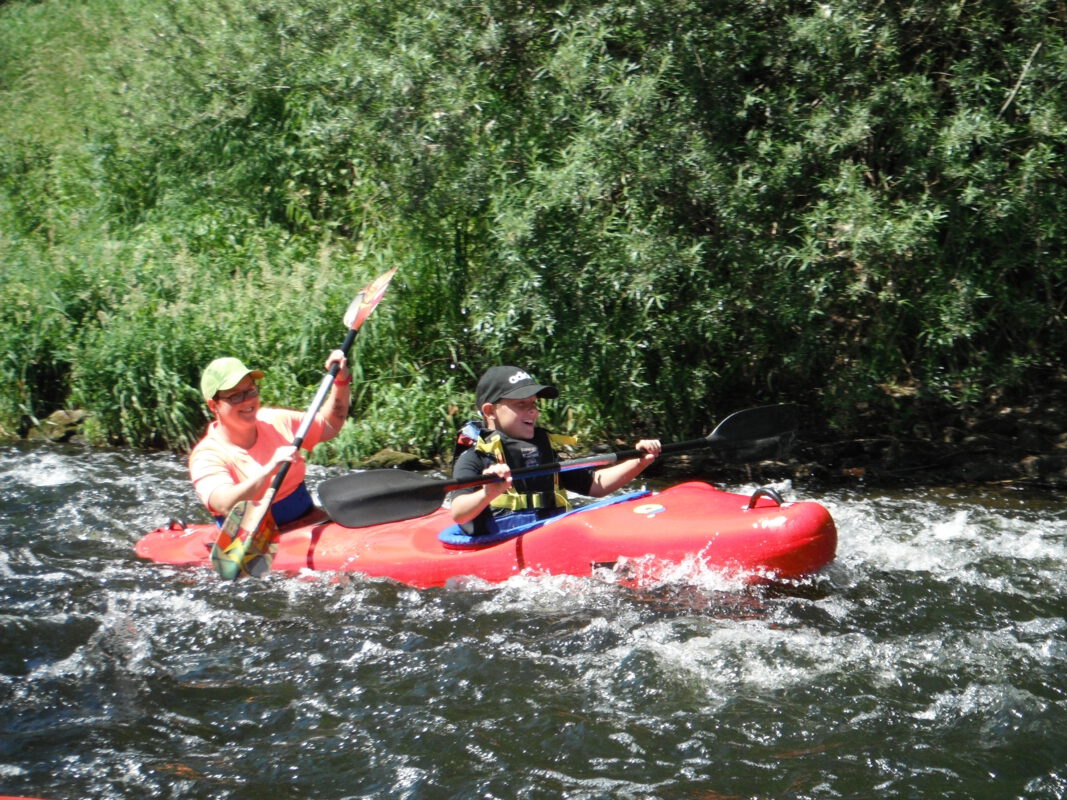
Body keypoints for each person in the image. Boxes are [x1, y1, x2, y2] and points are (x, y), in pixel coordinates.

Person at [450, 365, 662, 536]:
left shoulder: (546, 451)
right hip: (500, 542)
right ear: (490, 411)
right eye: (521, 404)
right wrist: (489, 492)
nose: (532, 410)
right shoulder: (474, 457)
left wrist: (640, 461)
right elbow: (459, 512)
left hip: (549, 532)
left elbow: (595, 485)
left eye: (534, 403)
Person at [189, 352, 351, 527]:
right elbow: (225, 504)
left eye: (250, 390)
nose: (248, 401)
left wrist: (341, 381)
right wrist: (269, 470)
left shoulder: (276, 421)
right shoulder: (207, 455)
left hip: (306, 518)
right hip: (251, 538)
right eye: (235, 395)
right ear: (214, 405)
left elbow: (329, 425)